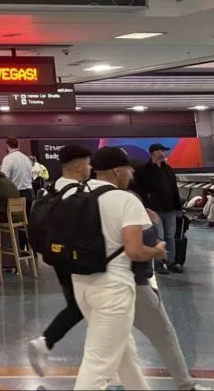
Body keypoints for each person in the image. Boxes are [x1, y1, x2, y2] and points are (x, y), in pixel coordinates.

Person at [70, 147, 166, 391]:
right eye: (128, 168)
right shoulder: (125, 199)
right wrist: (157, 251)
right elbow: (135, 251)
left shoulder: (75, 194)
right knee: (98, 363)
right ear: (116, 170)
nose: (132, 173)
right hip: (113, 287)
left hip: (81, 283)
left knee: (124, 351)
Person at [27, 144, 104, 374]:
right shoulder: (78, 194)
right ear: (80, 165)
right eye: (88, 163)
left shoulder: (51, 190)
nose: (90, 168)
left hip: (57, 257)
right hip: (79, 261)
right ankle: (47, 343)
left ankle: (46, 343)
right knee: (88, 307)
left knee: (80, 306)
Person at [133, 143, 184, 274]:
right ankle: (159, 263)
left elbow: (174, 189)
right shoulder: (143, 170)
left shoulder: (168, 169)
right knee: (159, 236)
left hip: (169, 208)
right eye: (162, 150)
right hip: (153, 209)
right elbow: (138, 189)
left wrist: (178, 207)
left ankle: (171, 262)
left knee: (170, 236)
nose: (164, 153)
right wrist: (144, 206)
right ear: (154, 152)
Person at [0, 137, 35, 214]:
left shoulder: (8, 159)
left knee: (15, 221)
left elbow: (4, 178)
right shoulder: (26, 158)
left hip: (16, 194)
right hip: (29, 193)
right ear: (18, 145)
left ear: (7, 146)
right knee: (26, 220)